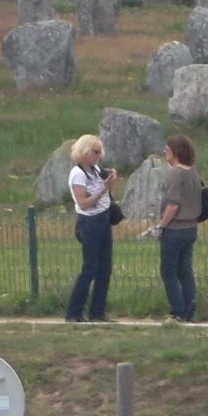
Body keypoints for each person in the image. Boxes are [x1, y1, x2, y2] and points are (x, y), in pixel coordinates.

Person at [65, 134, 118, 323]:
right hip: (89, 222)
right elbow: (84, 202)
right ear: (84, 152)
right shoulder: (77, 174)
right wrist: (104, 189)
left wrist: (109, 182)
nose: (98, 156)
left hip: (103, 219)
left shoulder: (95, 169)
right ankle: (74, 312)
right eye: (94, 152)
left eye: (99, 152)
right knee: (90, 268)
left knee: (105, 268)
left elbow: (102, 191)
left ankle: (98, 311)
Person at [150, 133, 204, 322]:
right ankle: (190, 307)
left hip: (175, 228)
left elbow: (173, 204)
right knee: (185, 270)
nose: (165, 151)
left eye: (168, 148)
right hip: (191, 227)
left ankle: (177, 310)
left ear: (176, 152)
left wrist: (161, 226)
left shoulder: (175, 173)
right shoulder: (193, 172)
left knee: (169, 271)